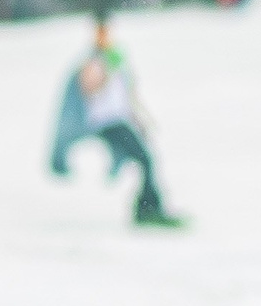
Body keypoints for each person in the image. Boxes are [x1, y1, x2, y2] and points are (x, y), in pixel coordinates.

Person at [51, 13, 177, 226]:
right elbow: (89, 88)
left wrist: (138, 119)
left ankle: (148, 208)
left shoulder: (116, 59)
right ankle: (147, 210)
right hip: (106, 122)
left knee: (145, 160)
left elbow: (126, 96)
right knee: (145, 159)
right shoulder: (93, 61)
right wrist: (107, 68)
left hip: (120, 120)